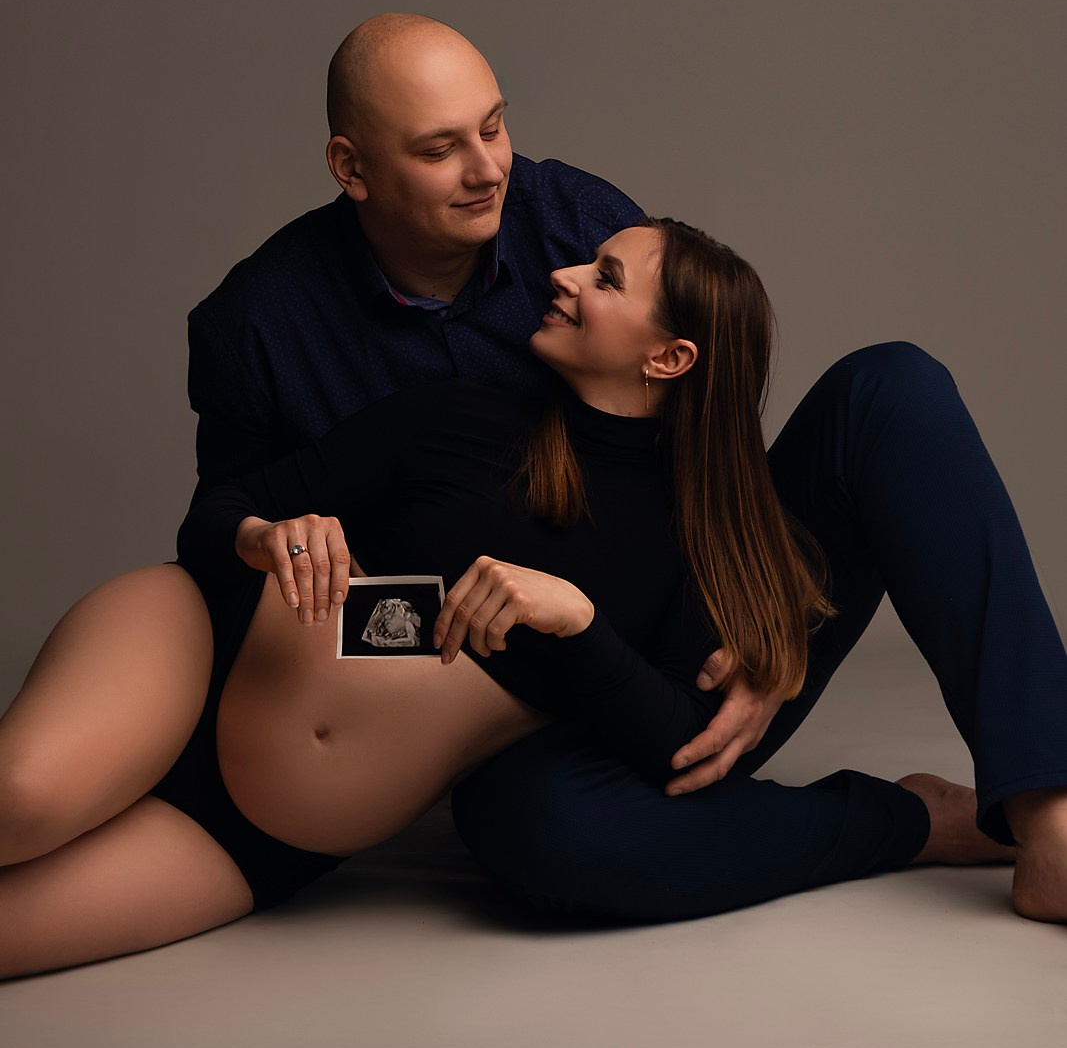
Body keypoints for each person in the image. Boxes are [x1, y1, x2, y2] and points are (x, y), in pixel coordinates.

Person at [3, 219, 1067, 978]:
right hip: (198, 643)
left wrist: (577, 621)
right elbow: (221, 513)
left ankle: (1009, 814)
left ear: (669, 355)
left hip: (255, 838)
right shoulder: (459, 415)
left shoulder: (682, 545)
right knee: (19, 801)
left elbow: (669, 740)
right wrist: (260, 534)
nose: (558, 274)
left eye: (602, 276)